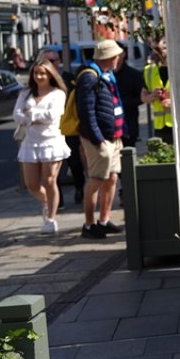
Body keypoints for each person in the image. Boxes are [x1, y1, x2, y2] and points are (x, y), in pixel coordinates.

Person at [14, 60, 72, 234]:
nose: (39, 76)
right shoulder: (26, 93)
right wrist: (32, 117)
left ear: (50, 74)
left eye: (43, 73)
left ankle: (51, 219)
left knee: (49, 180)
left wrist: (29, 115)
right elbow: (16, 114)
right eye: (36, 73)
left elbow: (52, 115)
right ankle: (46, 201)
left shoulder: (58, 94)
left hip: (51, 141)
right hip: (30, 142)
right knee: (31, 184)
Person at [77, 39, 126, 240]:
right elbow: (86, 111)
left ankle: (104, 221)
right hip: (99, 139)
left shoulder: (108, 75)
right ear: (108, 57)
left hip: (113, 136)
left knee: (112, 177)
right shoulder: (90, 77)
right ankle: (89, 225)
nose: (118, 59)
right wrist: (97, 138)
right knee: (96, 179)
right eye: (116, 56)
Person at [46, 50, 85, 206]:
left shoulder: (69, 79)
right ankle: (58, 199)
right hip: (50, 130)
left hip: (69, 128)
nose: (49, 64)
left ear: (59, 61)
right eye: (46, 61)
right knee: (51, 168)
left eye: (52, 60)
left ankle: (80, 188)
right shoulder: (42, 81)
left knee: (74, 163)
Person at [140, 38, 174, 145]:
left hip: (178, 125)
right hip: (160, 128)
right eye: (155, 49)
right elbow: (143, 96)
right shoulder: (149, 70)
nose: (157, 52)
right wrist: (152, 96)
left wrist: (172, 104)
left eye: (161, 48)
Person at [114, 59, 144, 149]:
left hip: (128, 123)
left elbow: (141, 97)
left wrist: (124, 103)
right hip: (110, 126)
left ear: (123, 55)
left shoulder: (133, 74)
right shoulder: (104, 75)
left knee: (128, 154)